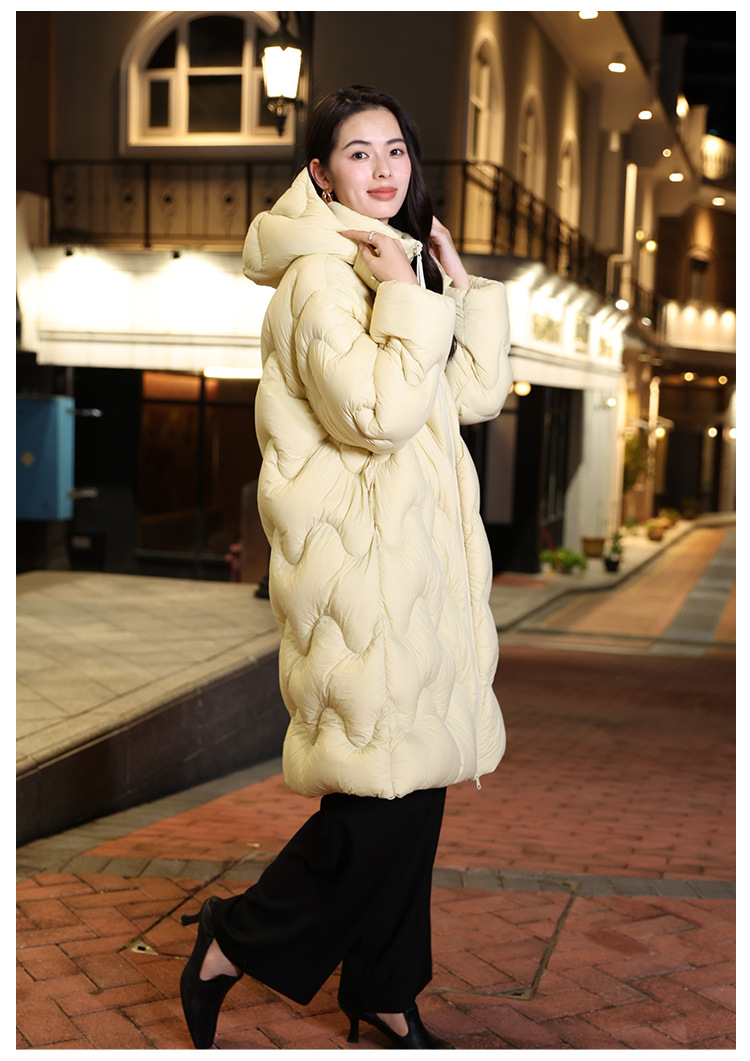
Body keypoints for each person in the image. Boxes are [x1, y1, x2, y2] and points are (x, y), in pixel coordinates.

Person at [179, 85, 513, 1050]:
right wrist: (407, 292)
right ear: (320, 173)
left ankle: (386, 990)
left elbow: (471, 398)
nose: (383, 169)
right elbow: (378, 414)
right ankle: (232, 939)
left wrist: (456, 287)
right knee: (376, 807)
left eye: (395, 150)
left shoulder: (389, 264)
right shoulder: (321, 280)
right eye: (358, 153)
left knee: (414, 795)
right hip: (359, 577)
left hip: (416, 577)